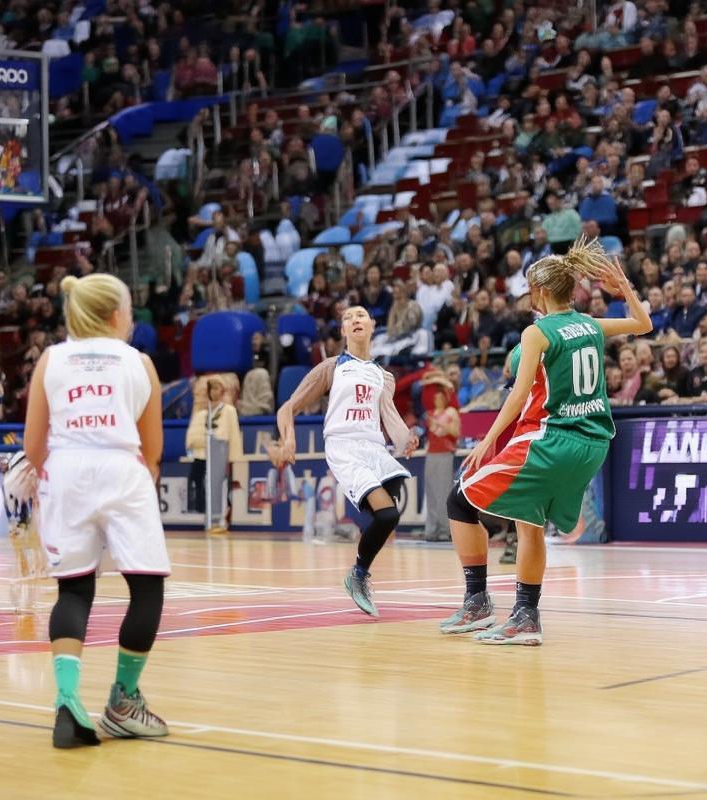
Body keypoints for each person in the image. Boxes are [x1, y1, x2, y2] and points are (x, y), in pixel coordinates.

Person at [439, 238, 653, 644]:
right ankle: (526, 615)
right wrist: (625, 288)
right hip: (593, 443)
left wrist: (487, 440)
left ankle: (477, 601)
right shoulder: (588, 324)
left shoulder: (537, 333)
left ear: (537, 291)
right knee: (530, 522)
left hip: (550, 439)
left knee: (459, 501)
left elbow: (517, 396)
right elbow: (643, 325)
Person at [23, 274, 170, 748]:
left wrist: (53, 481)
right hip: (123, 470)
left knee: (73, 591)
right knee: (146, 588)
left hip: (65, 470)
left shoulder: (51, 359)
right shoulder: (139, 362)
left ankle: (67, 700)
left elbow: (33, 445)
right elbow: (153, 449)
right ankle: (124, 701)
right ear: (115, 315)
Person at [274, 305, 419, 617]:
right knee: (387, 515)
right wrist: (288, 439)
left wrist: (406, 438)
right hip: (344, 447)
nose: (355, 319)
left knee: (390, 505)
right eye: (348, 317)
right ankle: (358, 574)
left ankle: (362, 541)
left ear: (372, 325)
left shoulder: (383, 375)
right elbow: (287, 408)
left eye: (361, 315)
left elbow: (390, 418)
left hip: (375, 448)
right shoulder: (332, 367)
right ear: (343, 331)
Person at [185, 375, 242, 532]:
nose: (214, 392)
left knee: (220, 487)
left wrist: (232, 458)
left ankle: (220, 519)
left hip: (220, 454)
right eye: (211, 388)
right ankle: (207, 514)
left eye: (217, 388)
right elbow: (193, 435)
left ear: (222, 391)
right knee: (198, 480)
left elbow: (234, 435)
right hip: (203, 455)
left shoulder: (229, 411)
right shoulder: (203, 413)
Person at [420, 385, 460, 542]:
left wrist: (440, 424)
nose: (437, 399)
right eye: (436, 397)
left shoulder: (451, 413)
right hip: (431, 454)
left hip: (445, 453)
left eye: (440, 397)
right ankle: (431, 529)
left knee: (444, 490)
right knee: (431, 491)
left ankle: (446, 529)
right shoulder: (429, 414)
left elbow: (455, 433)